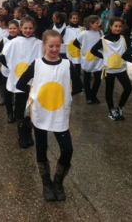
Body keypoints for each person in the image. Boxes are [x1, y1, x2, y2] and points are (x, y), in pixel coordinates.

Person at [16, 30, 83, 201]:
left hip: (59, 114)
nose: (54, 49)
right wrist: (36, 96)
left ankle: (58, 181)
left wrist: (63, 97)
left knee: (67, 149)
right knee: (41, 148)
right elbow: (21, 83)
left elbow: (79, 86)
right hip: (41, 114)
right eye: (51, 46)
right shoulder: (37, 64)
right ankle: (46, 183)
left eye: (57, 46)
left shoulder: (67, 64)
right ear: (43, 45)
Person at [1, 16, 43, 149]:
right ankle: (21, 135)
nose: (28, 30)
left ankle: (29, 133)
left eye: (31, 28)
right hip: (18, 80)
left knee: (31, 108)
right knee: (20, 107)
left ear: (34, 28)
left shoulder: (38, 43)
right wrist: (12, 68)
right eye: (25, 28)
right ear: (20, 28)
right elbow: (3, 56)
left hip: (33, 81)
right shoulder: (13, 43)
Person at [89, 17, 132, 121]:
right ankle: (111, 109)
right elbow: (93, 50)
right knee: (109, 90)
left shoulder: (124, 38)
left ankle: (120, 107)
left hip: (121, 68)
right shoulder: (104, 39)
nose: (118, 28)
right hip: (109, 69)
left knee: (128, 88)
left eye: (120, 26)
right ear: (110, 26)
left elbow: (129, 50)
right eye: (115, 26)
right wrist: (104, 57)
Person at [72, 15, 104, 104]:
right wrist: (83, 48)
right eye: (97, 23)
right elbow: (75, 43)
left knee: (98, 78)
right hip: (88, 58)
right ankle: (88, 96)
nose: (98, 25)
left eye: (99, 23)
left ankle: (94, 95)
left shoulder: (100, 33)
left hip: (98, 58)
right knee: (87, 78)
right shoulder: (84, 33)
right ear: (90, 24)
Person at [0, 20, 19, 123]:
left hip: (19, 70)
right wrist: (5, 61)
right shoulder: (4, 40)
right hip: (7, 71)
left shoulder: (21, 40)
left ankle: (17, 112)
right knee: (8, 93)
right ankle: (9, 113)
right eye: (10, 28)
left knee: (18, 92)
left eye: (14, 28)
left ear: (18, 29)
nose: (12, 30)